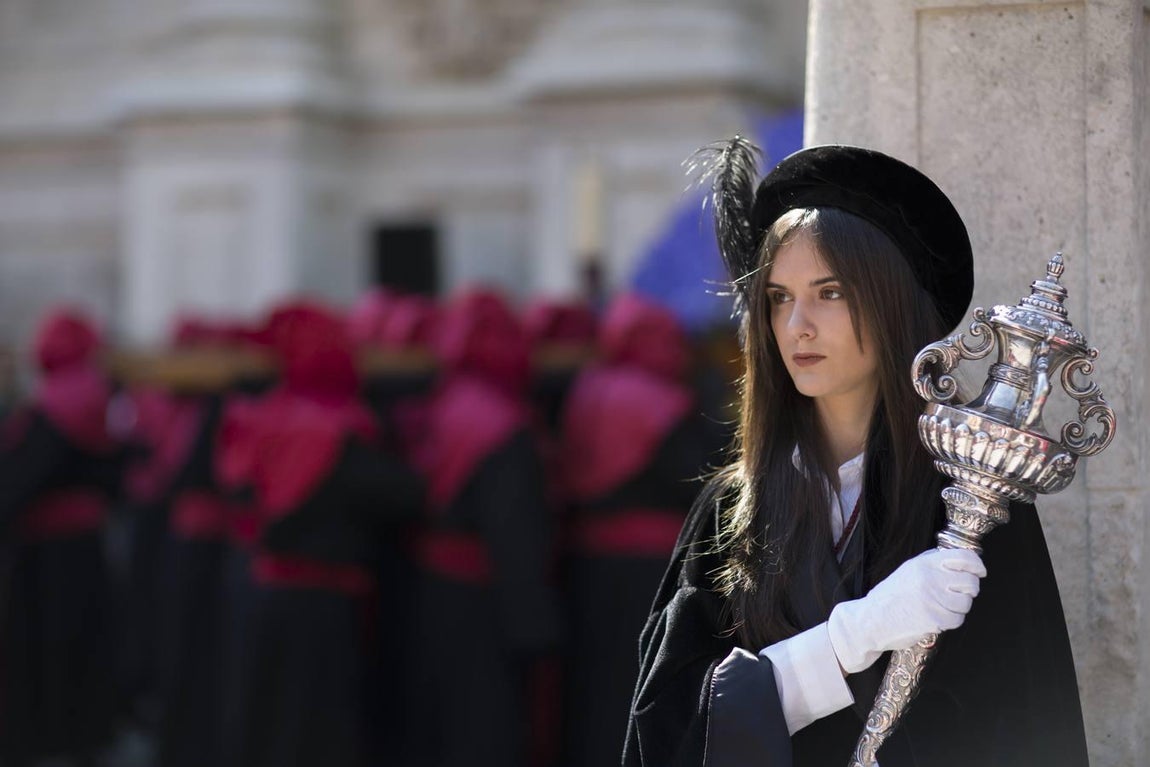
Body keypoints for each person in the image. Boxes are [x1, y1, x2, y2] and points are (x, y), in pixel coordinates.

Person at [623, 141, 1089, 766]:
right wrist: (852, 637)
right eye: (779, 297)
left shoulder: (970, 502)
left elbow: (1030, 727)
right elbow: (667, 730)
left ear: (892, 305)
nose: (797, 325)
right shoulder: (732, 508)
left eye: (831, 292)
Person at [558, 292, 715, 767]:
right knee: (637, 683)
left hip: (587, 565)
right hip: (647, 571)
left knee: (593, 686)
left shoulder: (586, 388)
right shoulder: (658, 402)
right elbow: (697, 480)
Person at [0, 309, 123, 766]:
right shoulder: (94, 394)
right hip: (82, 548)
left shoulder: (57, 405)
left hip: (49, 555)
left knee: (50, 656)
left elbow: (20, 482)